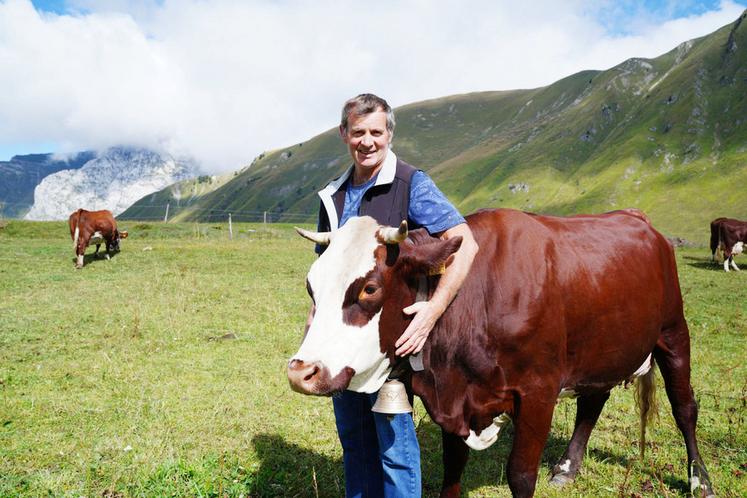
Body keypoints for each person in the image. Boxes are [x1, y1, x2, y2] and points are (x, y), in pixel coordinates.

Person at [308, 93, 478, 498]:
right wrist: (315, 326)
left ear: (388, 135)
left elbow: (465, 243)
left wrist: (431, 312)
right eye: (358, 132)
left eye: (375, 132)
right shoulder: (332, 198)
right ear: (343, 134)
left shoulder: (409, 183)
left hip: (388, 354)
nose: (367, 141)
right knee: (354, 442)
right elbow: (329, 276)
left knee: (393, 448)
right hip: (340, 345)